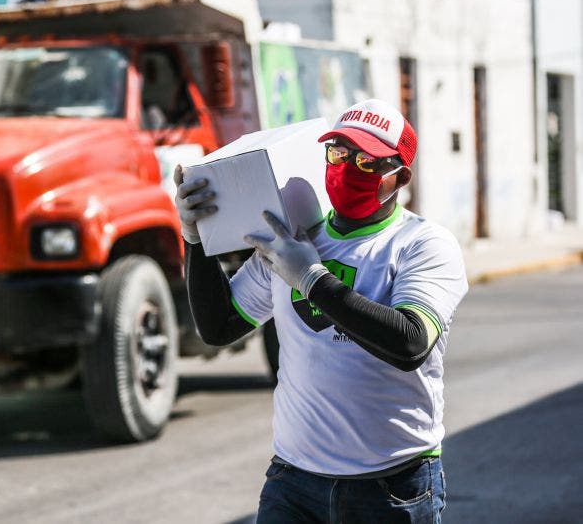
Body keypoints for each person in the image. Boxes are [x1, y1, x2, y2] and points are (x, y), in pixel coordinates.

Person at [174, 98, 468, 523]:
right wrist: (196, 239)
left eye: (366, 162)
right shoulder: (291, 238)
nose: (346, 168)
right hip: (295, 483)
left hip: (390, 486)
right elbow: (219, 327)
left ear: (400, 177)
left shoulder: (423, 245)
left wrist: (312, 279)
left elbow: (409, 343)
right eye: (338, 153)